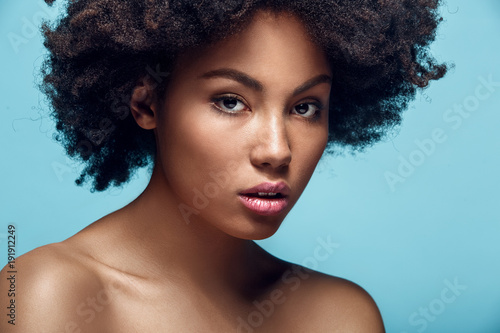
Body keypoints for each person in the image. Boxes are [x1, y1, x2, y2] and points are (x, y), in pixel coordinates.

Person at [1, 0, 447, 331]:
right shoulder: (46, 295)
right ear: (146, 103)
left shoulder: (338, 316)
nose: (277, 150)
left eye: (306, 107)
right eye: (231, 101)